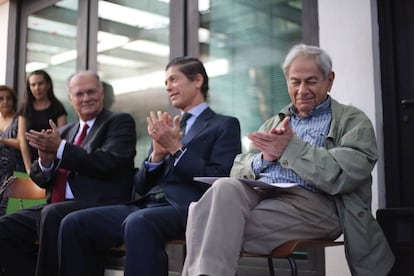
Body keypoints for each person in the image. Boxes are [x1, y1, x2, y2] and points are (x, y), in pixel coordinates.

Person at [181, 44, 395, 276]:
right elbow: (238, 168)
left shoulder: (353, 121)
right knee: (224, 186)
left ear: (329, 80)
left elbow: (342, 175)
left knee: (206, 222)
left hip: (319, 206)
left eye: (311, 81)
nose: (302, 90)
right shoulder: (276, 121)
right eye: (295, 82)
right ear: (287, 81)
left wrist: (290, 148)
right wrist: (264, 158)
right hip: (265, 196)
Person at [58, 57, 242, 276]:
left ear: (198, 80)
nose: (168, 87)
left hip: (190, 207)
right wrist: (156, 156)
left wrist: (176, 148)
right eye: (166, 82)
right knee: (74, 222)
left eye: (174, 79)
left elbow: (219, 179)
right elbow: (141, 186)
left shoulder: (224, 125)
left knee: (139, 222)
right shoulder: (167, 126)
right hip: (148, 205)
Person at [0, 70, 137, 276]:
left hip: (100, 203)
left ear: (101, 93)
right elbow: (40, 178)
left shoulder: (119, 122)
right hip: (56, 205)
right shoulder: (65, 132)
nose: (86, 98)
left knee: (52, 213)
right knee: (4, 227)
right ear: (71, 98)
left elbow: (107, 163)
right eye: (79, 94)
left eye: (91, 92)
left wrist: (62, 148)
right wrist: (45, 161)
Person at [18, 69, 68, 171]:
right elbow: (22, 139)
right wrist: (29, 167)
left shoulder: (57, 107)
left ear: (48, 85)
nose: (37, 88)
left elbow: (62, 136)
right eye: (33, 84)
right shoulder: (25, 108)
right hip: (27, 162)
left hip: (52, 163)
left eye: (40, 83)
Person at [0, 85, 27, 215]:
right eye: (1, 98)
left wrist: (1, 140)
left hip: (13, 172)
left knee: (6, 213)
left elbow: (20, 143)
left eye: (8, 98)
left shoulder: (19, 117)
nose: (5, 101)